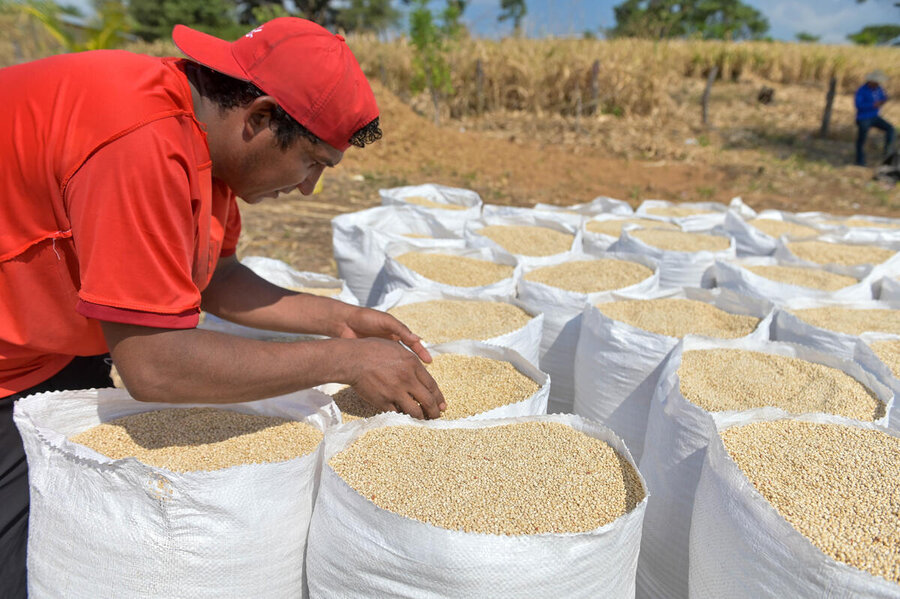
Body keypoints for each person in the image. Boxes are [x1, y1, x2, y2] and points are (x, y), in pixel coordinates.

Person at [0, 17, 445, 597]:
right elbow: (155, 365)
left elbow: (213, 278)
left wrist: (339, 319)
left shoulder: (203, 146)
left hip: (50, 345)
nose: (309, 188)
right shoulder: (140, 139)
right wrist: (345, 361)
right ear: (259, 119)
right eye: (313, 162)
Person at [855, 70, 895, 166]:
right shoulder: (861, 90)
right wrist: (873, 104)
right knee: (862, 139)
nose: (878, 83)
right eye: (876, 82)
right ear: (871, 81)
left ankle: (887, 152)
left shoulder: (879, 89)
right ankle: (859, 160)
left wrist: (884, 100)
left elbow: (882, 98)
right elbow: (858, 105)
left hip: (875, 117)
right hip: (863, 117)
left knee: (890, 129)